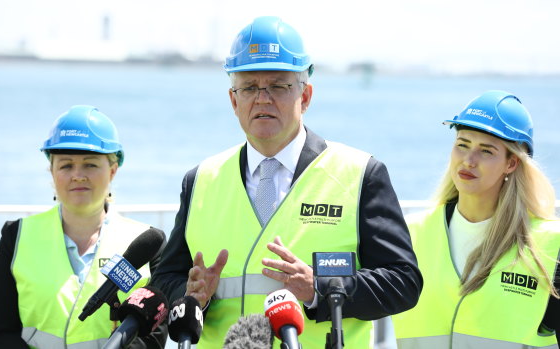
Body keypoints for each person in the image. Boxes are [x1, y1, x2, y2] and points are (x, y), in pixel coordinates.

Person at [150, 16, 422, 348]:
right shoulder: (201, 180)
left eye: (278, 86)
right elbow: (165, 278)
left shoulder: (359, 173)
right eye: (249, 88)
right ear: (234, 101)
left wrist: (320, 289)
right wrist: (192, 296)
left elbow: (403, 282)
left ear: (305, 96)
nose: (262, 98)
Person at [0, 105, 168, 348]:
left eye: (90, 164)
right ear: (52, 171)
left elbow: (154, 336)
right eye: (66, 165)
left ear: (112, 170)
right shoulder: (16, 238)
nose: (78, 175)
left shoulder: (146, 244)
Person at [391, 90, 560, 348]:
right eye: (462, 145)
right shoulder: (409, 234)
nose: (468, 161)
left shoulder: (550, 247)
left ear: (511, 163)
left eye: (486, 151)